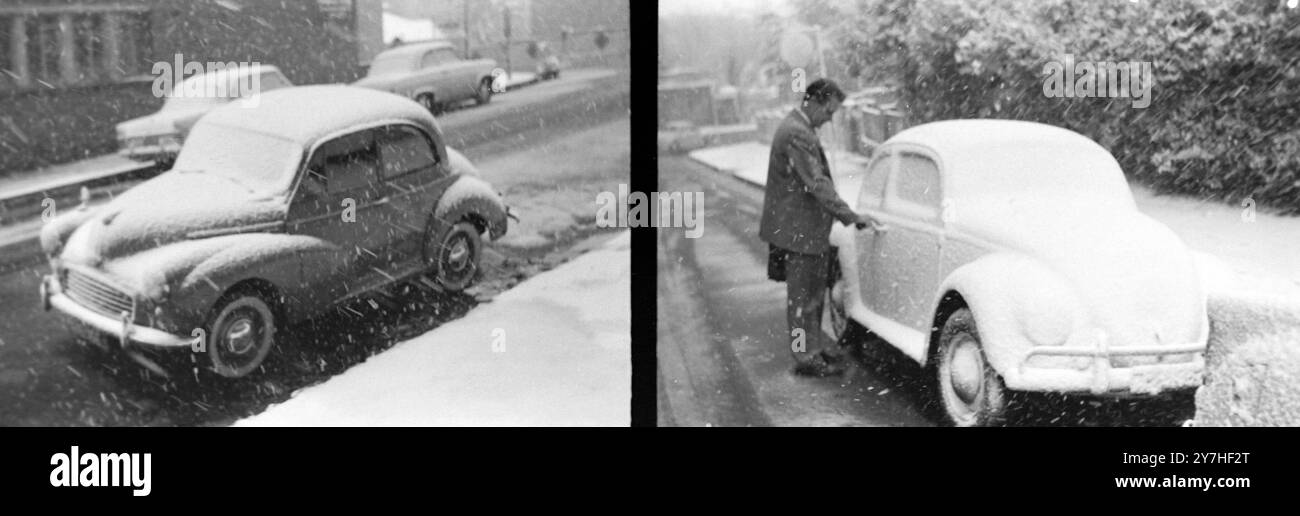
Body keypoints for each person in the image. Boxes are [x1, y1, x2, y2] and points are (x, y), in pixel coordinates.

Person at [759, 78, 881, 377]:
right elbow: (817, 184)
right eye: (829, 110)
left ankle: (813, 348)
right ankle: (804, 356)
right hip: (799, 232)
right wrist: (851, 216)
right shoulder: (797, 134)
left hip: (805, 230)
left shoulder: (799, 128)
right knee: (802, 301)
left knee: (812, 297)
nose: (830, 118)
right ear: (813, 101)